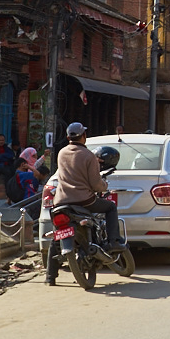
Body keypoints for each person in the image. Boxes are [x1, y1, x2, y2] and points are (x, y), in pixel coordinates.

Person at [45, 122, 124, 286]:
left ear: (68, 137)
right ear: (83, 136)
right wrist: (105, 186)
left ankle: (50, 277)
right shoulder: (88, 156)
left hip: (61, 201)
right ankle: (114, 241)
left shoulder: (61, 153)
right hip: (84, 200)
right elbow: (96, 184)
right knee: (110, 208)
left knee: (58, 235)